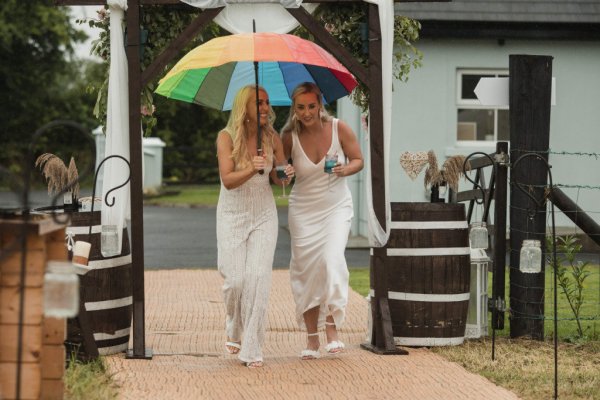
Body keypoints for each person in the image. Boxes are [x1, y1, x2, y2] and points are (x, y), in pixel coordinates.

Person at [281, 82, 364, 360]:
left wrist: (345, 169)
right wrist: (284, 173)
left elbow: (358, 160)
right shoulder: (288, 136)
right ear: (295, 108)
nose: (306, 113)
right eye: (301, 107)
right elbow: (276, 173)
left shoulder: (339, 128)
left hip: (336, 207)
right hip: (303, 210)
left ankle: (332, 328)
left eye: (311, 106)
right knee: (306, 273)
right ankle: (312, 339)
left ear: (320, 105)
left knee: (331, 259)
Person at [216, 85, 293, 368]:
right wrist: (251, 167)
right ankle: (234, 325)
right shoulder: (225, 138)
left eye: (267, 102)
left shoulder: (272, 136)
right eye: (258, 103)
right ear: (244, 108)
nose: (264, 107)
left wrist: (285, 174)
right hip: (232, 214)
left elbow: (278, 176)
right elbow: (228, 180)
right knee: (235, 280)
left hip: (263, 213)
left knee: (258, 278)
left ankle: (253, 347)